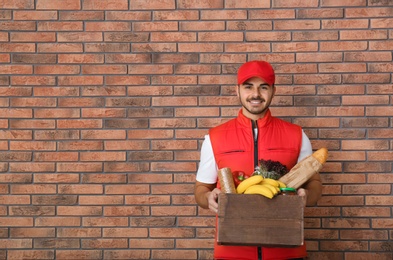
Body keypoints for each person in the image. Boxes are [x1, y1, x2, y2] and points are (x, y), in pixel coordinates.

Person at [194, 60, 322, 260]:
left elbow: (314, 184)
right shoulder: (215, 137)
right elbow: (201, 189)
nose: (255, 94)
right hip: (232, 251)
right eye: (248, 87)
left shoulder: (297, 135)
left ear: (273, 91)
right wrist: (208, 199)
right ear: (237, 91)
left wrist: (307, 196)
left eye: (263, 87)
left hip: (286, 251)